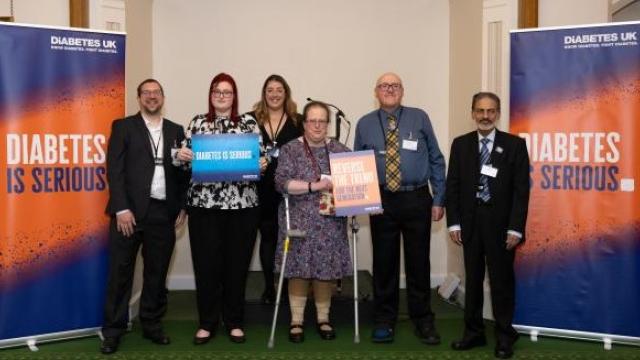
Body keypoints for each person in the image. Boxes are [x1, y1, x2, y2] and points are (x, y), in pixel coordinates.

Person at [354, 72, 446, 344]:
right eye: (384, 86)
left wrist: (439, 197)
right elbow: (359, 165)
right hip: (381, 202)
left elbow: (436, 158)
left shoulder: (420, 117)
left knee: (419, 263)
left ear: (402, 91)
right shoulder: (365, 123)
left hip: (417, 198)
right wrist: (364, 200)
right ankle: (384, 320)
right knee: (384, 263)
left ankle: (423, 320)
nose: (389, 89)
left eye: (394, 85)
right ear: (376, 92)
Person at [175, 73, 266, 344]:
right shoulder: (198, 122)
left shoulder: (249, 122)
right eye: (217, 91)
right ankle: (207, 323)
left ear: (234, 96)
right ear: (211, 94)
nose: (222, 96)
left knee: (236, 267)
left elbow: (260, 159)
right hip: (204, 208)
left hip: (242, 207)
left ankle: (235, 321)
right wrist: (181, 156)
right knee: (206, 267)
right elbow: (183, 159)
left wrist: (262, 164)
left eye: (227, 91)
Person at [101, 79, 188, 354]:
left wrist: (183, 206)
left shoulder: (176, 130)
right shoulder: (123, 126)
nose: (152, 97)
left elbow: (183, 173)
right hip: (129, 214)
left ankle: (151, 324)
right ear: (139, 98)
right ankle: (113, 330)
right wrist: (121, 208)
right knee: (120, 273)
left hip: (163, 213)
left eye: (156, 92)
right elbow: (114, 171)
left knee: (156, 273)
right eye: (146, 93)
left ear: (163, 97)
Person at [446, 92, 530, 359]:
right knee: (472, 282)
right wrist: (453, 223)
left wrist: (516, 228)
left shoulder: (514, 145)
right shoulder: (460, 145)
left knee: (501, 282)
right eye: (480, 111)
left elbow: (521, 191)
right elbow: (453, 187)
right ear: (472, 113)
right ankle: (473, 333)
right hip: (470, 225)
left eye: (491, 111)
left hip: (502, 227)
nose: (485, 116)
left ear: (498, 113)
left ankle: (505, 336)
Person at [274, 101, 352, 343]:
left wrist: (368, 201)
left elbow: (355, 185)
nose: (317, 125)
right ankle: (296, 320)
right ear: (304, 124)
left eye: (322, 121)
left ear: (328, 124)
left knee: (325, 269)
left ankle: (323, 318)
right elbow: (281, 183)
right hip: (299, 218)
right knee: (298, 268)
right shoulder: (290, 150)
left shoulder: (342, 151)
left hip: (330, 222)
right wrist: (313, 186)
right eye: (312, 121)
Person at [249, 74, 302, 305]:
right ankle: (270, 287)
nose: (274, 94)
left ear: (286, 93)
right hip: (256, 189)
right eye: (270, 90)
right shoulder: (250, 120)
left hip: (287, 191)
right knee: (265, 239)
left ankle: (290, 286)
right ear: (264, 93)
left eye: (279, 89)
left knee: (286, 239)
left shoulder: (298, 121)